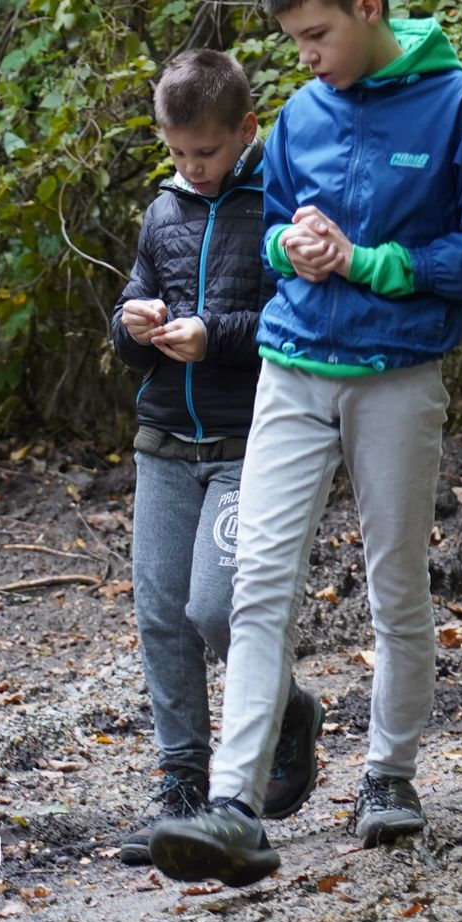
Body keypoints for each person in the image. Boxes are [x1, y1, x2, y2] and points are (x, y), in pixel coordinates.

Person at [148, 0, 462, 886]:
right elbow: (271, 229)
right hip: (292, 365)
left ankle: (389, 775)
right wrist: (295, 249)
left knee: (395, 584)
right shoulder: (306, 113)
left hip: (397, 375)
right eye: (293, 45)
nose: (306, 59)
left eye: (316, 37)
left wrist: (374, 262)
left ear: (368, 9)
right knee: (257, 583)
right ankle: (235, 806)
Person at [108, 50, 323, 866]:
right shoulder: (163, 212)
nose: (192, 169)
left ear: (245, 131)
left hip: (246, 443)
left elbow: (292, 317)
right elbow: (131, 315)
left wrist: (215, 337)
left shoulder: (278, 203)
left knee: (217, 611)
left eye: (206, 153)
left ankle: (286, 707)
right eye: (177, 154)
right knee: (161, 616)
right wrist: (133, 324)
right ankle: (182, 783)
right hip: (163, 439)